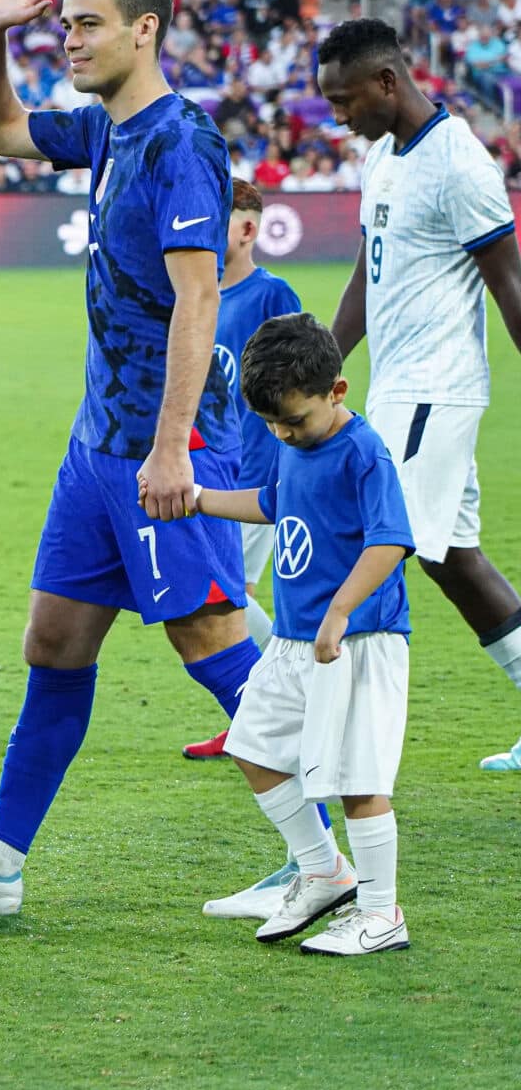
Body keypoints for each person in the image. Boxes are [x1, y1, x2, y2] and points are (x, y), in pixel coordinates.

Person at [0, 0, 273, 916]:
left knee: (214, 642)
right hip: (95, 447)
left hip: (159, 446)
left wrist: (173, 445)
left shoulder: (182, 142)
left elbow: (198, 298)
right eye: (65, 24)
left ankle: (332, 857)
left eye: (86, 23)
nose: (71, 39)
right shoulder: (106, 131)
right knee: (53, 643)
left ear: (146, 30)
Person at [315, 17, 521, 772]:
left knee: (374, 546)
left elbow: (511, 285)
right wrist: (323, 362)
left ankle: (339, 751)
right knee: (452, 557)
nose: (338, 116)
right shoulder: (384, 156)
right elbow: (370, 272)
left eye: (344, 100)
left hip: (436, 390)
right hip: (397, 388)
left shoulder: (459, 163)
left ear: (387, 82)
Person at [173, 313, 413, 955]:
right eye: (274, 424)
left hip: (357, 641)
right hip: (293, 642)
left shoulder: (364, 451)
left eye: (295, 421)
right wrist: (197, 497)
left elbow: (390, 539)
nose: (284, 433)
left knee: (360, 782)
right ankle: (321, 870)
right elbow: (273, 504)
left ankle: (382, 914)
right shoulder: (293, 442)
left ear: (336, 391)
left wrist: (339, 612)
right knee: (252, 748)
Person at [183, 177, 304, 760]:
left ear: (249, 229)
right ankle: (256, 713)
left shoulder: (269, 294)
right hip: (213, 469)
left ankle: (286, 696)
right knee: (234, 595)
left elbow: (296, 379)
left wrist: (292, 454)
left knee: (226, 597)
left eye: (220, 220)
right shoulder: (199, 294)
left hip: (259, 471)